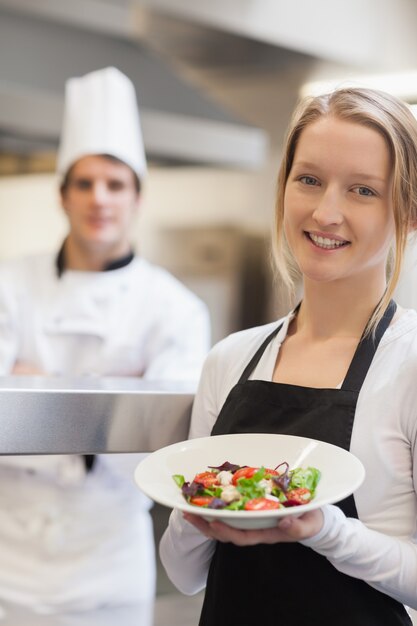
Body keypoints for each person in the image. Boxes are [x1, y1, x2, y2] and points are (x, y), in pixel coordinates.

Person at [159, 87, 417, 626]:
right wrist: (198, 505)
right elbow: (184, 574)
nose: (326, 212)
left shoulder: (409, 363)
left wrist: (325, 530)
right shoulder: (231, 359)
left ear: (407, 212)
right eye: (309, 180)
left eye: (363, 190)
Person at [0, 67, 210, 622]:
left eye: (116, 184)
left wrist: (33, 387)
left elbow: (164, 453)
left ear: (138, 197)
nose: (100, 198)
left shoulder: (176, 308)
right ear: (62, 194)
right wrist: (114, 409)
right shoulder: (8, 284)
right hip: (6, 567)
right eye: (84, 183)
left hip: (109, 568)